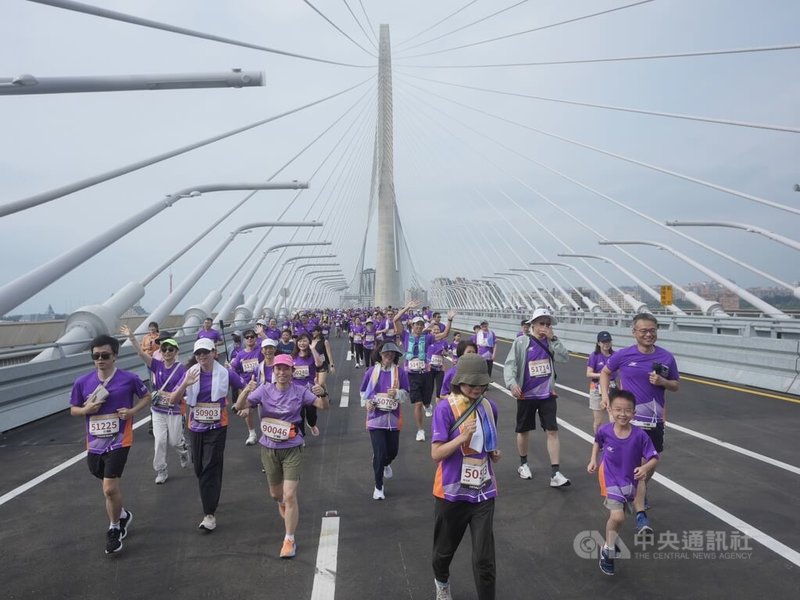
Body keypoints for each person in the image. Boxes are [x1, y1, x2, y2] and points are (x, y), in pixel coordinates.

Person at [234, 354, 330, 558]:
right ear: (273, 371)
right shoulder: (264, 389)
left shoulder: (300, 391)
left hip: (293, 447)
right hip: (269, 448)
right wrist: (245, 391)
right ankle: (282, 505)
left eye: (286, 369)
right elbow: (241, 407)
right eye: (278, 369)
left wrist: (323, 393)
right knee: (277, 495)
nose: (282, 373)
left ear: (292, 372)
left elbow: (323, 406)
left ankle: (289, 539)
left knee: (289, 495)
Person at [69, 334, 151, 554]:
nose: (100, 359)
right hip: (95, 443)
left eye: (105, 355)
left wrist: (132, 411)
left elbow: (146, 397)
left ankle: (114, 528)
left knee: (109, 487)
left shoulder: (128, 378)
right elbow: (74, 409)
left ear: (115, 355)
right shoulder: (82, 382)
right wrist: (86, 410)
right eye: (96, 356)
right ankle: (122, 514)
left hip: (120, 439)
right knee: (106, 487)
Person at [600, 313, 679, 534]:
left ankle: (637, 492)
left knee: (651, 463)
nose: (648, 334)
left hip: (654, 420)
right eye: (643, 330)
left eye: (652, 330)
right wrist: (606, 396)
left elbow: (675, 385)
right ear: (634, 332)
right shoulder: (624, 355)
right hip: (629, 420)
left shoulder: (666, 357)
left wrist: (663, 381)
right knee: (635, 466)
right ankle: (640, 513)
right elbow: (606, 373)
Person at [431, 353, 501, 600]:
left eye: (481, 384)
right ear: (459, 381)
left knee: (484, 559)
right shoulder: (444, 408)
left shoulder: (490, 407)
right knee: (443, 554)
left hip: (483, 491)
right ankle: (442, 582)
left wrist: (493, 453)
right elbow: (436, 453)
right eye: (472, 384)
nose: (477, 388)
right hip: (451, 493)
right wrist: (461, 438)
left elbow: (489, 444)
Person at [170, 338, 245, 532]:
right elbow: (172, 399)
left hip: (217, 427)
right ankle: (211, 495)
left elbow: (243, 387)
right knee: (199, 469)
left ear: (214, 353)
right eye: (198, 354)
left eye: (205, 352)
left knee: (210, 467)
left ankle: (209, 514)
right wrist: (185, 384)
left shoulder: (225, 373)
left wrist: (242, 405)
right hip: (195, 427)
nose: (202, 356)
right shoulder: (190, 373)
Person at [587, 390, 659, 576]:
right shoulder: (605, 430)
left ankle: (611, 541)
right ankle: (608, 550)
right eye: (618, 409)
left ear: (634, 413)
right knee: (618, 517)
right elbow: (597, 442)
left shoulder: (640, 435)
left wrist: (645, 468)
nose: (622, 414)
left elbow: (653, 457)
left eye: (627, 410)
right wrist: (593, 459)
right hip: (610, 478)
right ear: (610, 409)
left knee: (619, 520)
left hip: (629, 480)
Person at [503, 308, 571, 487]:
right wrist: (511, 383)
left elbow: (565, 358)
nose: (545, 327)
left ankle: (555, 473)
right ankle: (523, 464)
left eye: (548, 324)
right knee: (523, 430)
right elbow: (510, 365)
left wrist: (554, 339)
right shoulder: (520, 342)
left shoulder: (551, 343)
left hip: (547, 394)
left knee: (552, 431)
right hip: (526, 394)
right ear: (532, 324)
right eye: (542, 323)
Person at [122, 325, 189, 484]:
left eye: (170, 349)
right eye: (164, 349)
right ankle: (161, 470)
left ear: (176, 351)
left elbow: (183, 391)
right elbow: (141, 353)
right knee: (159, 441)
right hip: (158, 409)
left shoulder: (181, 369)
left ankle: (183, 450)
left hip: (174, 410)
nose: (166, 352)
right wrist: (132, 337)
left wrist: (173, 395)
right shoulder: (157, 365)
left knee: (174, 441)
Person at [393, 301, 454, 442]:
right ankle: (420, 430)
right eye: (416, 324)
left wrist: (449, 319)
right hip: (411, 375)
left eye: (421, 324)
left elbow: (445, 334)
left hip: (426, 374)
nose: (419, 326)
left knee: (426, 401)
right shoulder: (405, 336)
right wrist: (407, 307)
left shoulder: (427, 338)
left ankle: (428, 405)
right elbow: (395, 320)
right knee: (418, 403)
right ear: (412, 326)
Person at [360, 341, 410, 500]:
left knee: (393, 451)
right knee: (380, 453)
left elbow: (406, 393)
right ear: (380, 355)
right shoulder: (370, 372)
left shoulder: (400, 373)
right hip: (375, 418)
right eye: (386, 353)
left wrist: (397, 393)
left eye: (392, 354)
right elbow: (363, 393)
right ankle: (378, 486)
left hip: (393, 418)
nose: (389, 356)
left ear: (395, 356)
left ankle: (385, 462)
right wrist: (368, 402)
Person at [229, 329, 262, 445]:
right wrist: (240, 382)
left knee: (264, 409)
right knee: (246, 410)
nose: (250, 339)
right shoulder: (240, 355)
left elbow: (270, 346)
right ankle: (252, 434)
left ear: (255, 338)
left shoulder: (261, 350)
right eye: (247, 337)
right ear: (244, 340)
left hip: (261, 386)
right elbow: (232, 369)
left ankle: (267, 432)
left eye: (252, 337)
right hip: (246, 387)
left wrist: (262, 333)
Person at [587, 331, 616, 434]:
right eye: (603, 342)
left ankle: (613, 441)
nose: (606, 344)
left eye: (608, 341)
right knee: (598, 421)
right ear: (598, 343)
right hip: (596, 387)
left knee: (613, 418)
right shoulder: (594, 356)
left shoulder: (615, 355)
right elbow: (589, 373)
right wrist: (603, 375)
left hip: (612, 387)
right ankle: (598, 442)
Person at [292, 333, 321, 437]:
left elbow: (319, 364)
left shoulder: (312, 355)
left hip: (310, 390)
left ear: (309, 342)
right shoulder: (293, 357)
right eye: (300, 341)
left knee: (311, 413)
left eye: (304, 341)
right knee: (299, 415)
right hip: (296, 391)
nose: (302, 343)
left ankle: (312, 424)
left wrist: (313, 349)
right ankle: (301, 435)